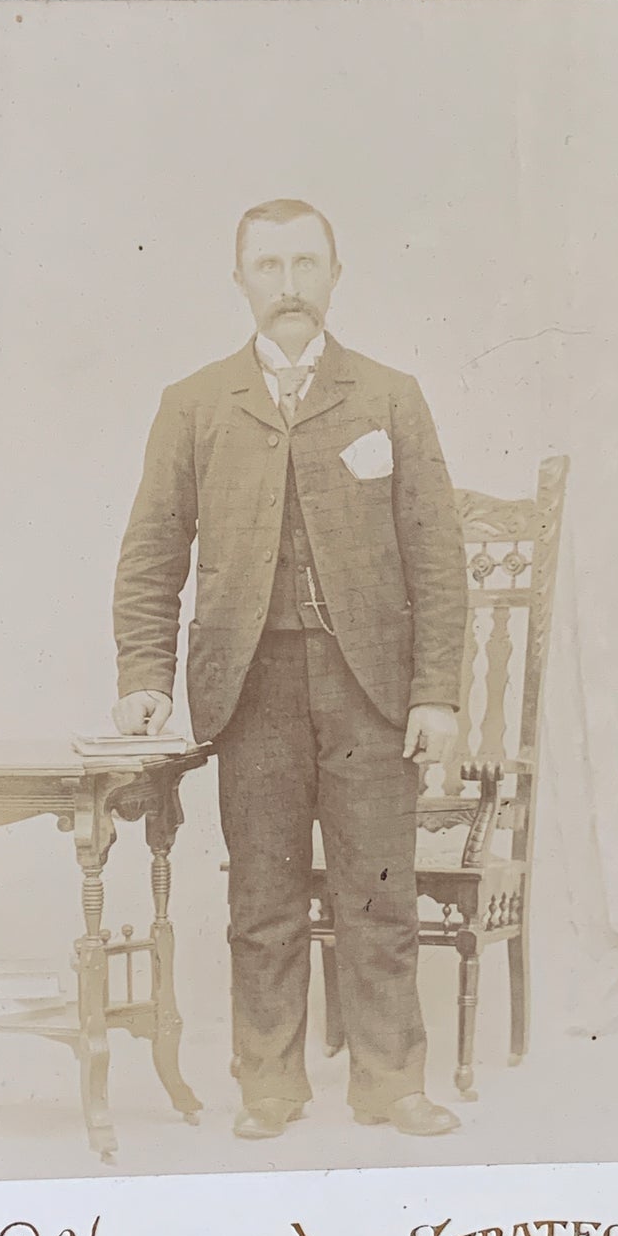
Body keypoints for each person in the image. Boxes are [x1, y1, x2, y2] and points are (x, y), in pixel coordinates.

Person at [112, 198, 467, 1140]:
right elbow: (151, 553)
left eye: (305, 264)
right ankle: (269, 1086)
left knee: (377, 892)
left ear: (335, 276)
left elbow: (436, 558)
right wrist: (144, 675)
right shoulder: (194, 405)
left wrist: (435, 692)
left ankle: (391, 1084)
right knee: (260, 897)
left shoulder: (390, 396)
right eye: (267, 267)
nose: (288, 286)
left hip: (370, 693)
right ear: (240, 283)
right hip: (251, 689)